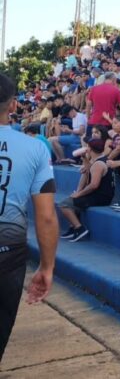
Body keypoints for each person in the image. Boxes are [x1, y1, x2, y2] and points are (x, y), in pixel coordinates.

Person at [0, 73, 58, 361]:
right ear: (13, 106)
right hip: (7, 255)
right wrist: (47, 267)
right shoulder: (36, 148)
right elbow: (46, 217)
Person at [58, 138, 115, 243]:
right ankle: (73, 228)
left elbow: (93, 185)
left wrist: (79, 194)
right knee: (72, 201)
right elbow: (89, 169)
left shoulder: (98, 164)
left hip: (101, 197)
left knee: (64, 204)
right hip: (102, 195)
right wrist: (84, 158)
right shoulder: (102, 159)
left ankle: (80, 229)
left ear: (90, 149)